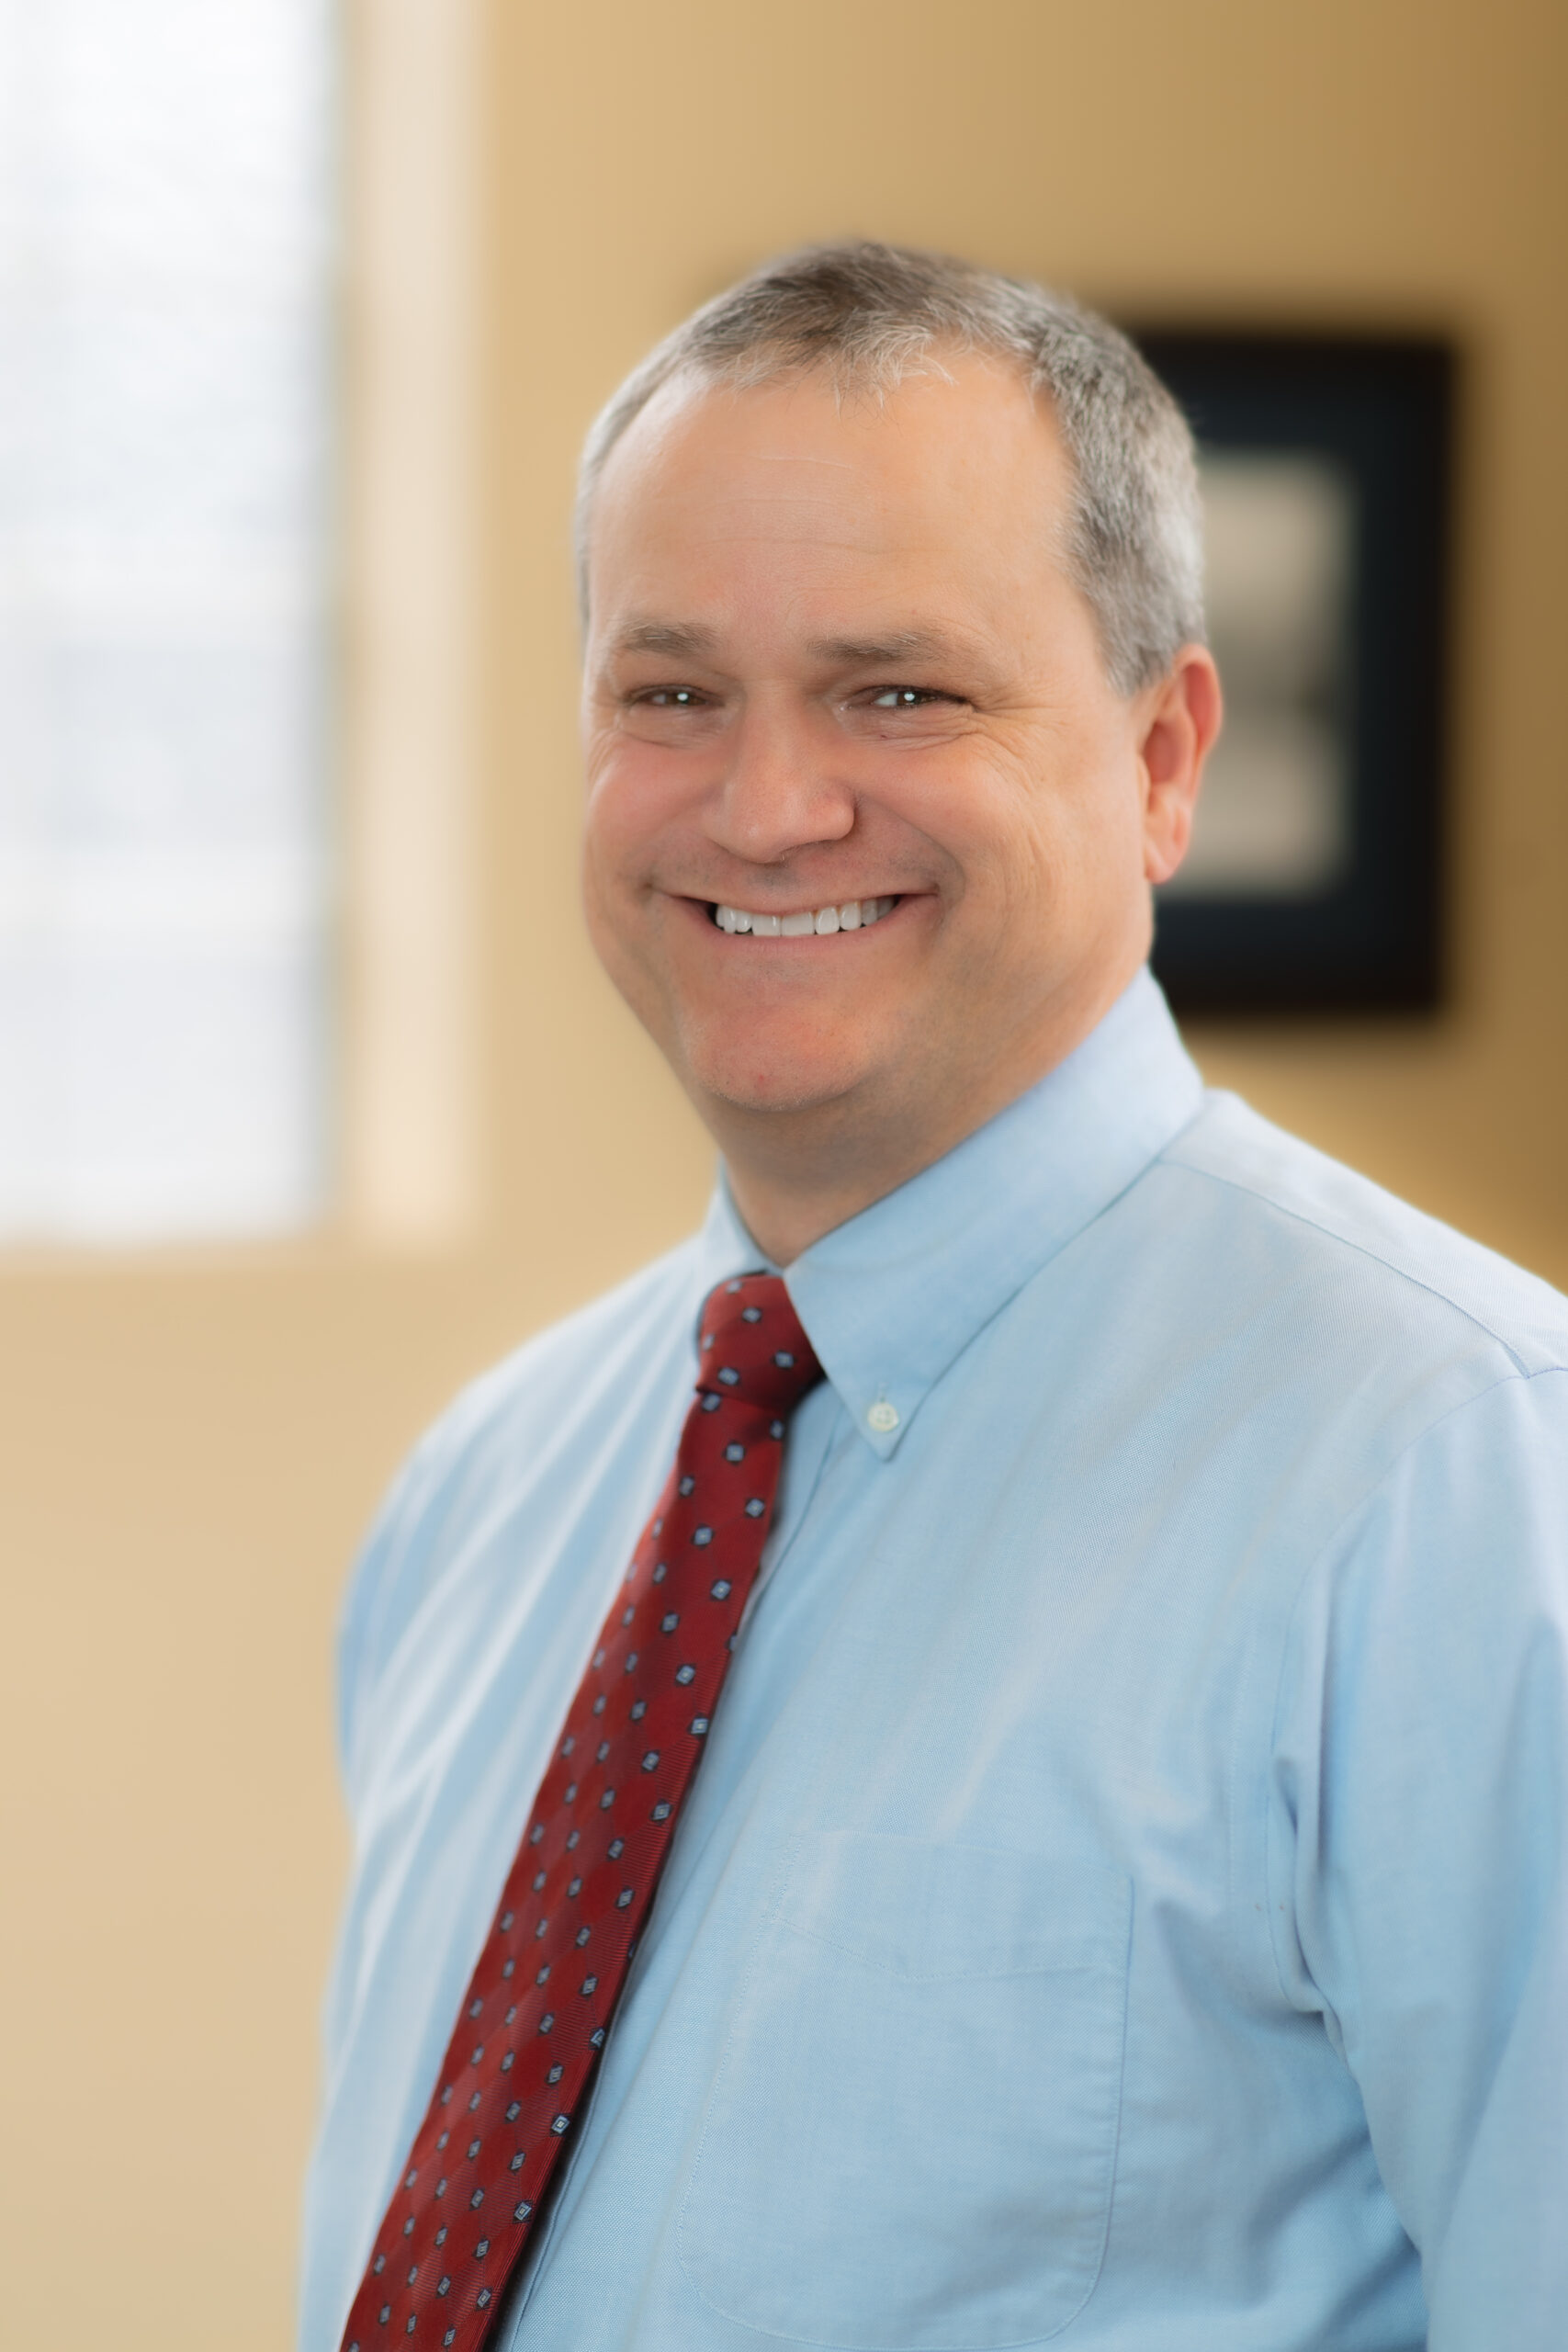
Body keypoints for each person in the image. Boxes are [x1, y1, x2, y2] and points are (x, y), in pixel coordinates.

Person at [300, 243, 1568, 2352]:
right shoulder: (485, 1486)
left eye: (900, 689)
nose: (768, 803)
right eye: (669, 690)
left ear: (1163, 758)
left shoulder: (1458, 1478)